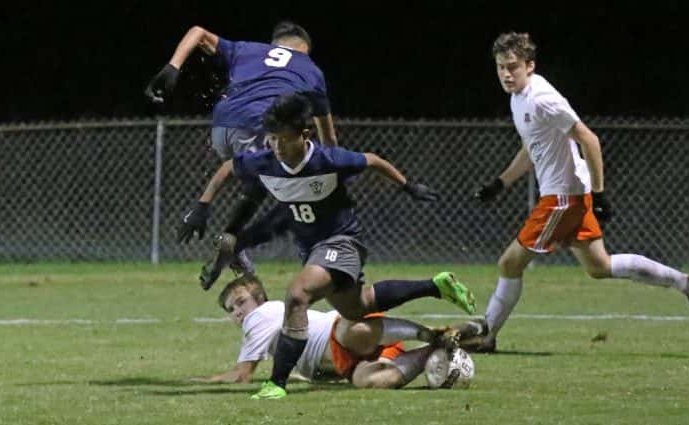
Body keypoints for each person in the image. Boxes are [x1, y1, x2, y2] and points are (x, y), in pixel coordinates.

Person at [179, 93, 478, 399]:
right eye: (272, 139)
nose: (277, 147)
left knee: (297, 294)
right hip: (313, 250)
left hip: (342, 242)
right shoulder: (266, 161)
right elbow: (228, 167)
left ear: (305, 135)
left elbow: (372, 160)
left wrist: (407, 186)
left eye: (284, 139)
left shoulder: (328, 160)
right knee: (357, 306)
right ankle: (436, 286)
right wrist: (203, 207)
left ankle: (277, 383)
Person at [473, 32, 689, 353]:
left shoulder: (543, 98)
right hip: (568, 194)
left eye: (512, 67)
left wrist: (599, 194)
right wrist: (500, 183)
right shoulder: (519, 98)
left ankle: (486, 337)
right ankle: (688, 283)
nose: (505, 73)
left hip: (562, 197)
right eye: (500, 67)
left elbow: (589, 139)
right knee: (599, 266)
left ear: (530, 66)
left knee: (509, 264)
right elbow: (532, 148)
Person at [145, 21, 338, 277]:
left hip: (222, 127)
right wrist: (332, 169)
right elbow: (329, 137)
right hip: (258, 122)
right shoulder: (311, 70)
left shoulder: (248, 49)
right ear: (304, 49)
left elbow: (198, 32)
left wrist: (172, 67)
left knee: (257, 179)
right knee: (292, 185)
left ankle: (232, 240)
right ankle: (237, 242)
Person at [192, 274, 487, 388]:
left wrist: (204, 381)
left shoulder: (259, 317)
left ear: (260, 300)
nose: (238, 312)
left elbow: (242, 374)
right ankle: (436, 349)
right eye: (232, 309)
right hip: (349, 357)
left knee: (353, 331)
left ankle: (431, 336)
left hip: (344, 331)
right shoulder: (270, 324)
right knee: (368, 381)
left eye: (240, 302)